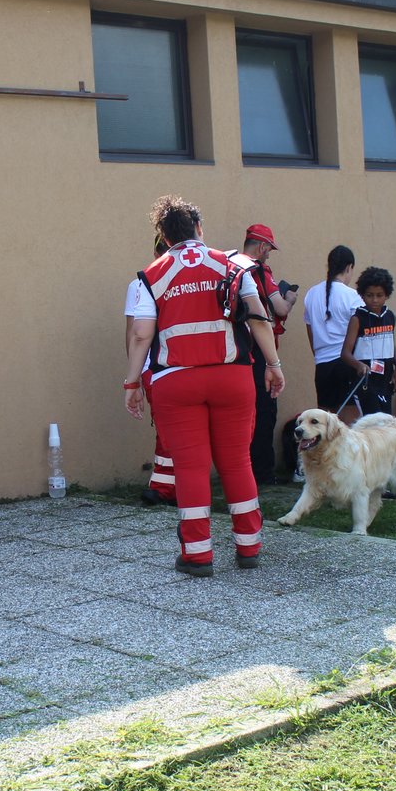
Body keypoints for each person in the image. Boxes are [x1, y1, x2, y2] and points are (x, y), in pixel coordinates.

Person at [124, 196, 284, 576]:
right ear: (199, 228)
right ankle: (248, 547)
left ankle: (197, 555)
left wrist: (132, 382)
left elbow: (141, 335)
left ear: (163, 236)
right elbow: (259, 318)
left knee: (191, 468)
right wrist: (274, 365)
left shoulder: (150, 275)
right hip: (232, 376)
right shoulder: (233, 264)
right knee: (236, 461)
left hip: (175, 382)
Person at [228, 224, 295, 484]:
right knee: (265, 413)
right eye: (269, 250)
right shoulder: (257, 269)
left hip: (235, 350)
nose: (269, 255)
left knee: (241, 416)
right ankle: (262, 473)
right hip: (259, 353)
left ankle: (238, 472)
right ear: (263, 246)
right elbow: (279, 308)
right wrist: (290, 298)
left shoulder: (228, 264)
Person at [126, 238, 175, 505]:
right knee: (167, 429)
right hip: (154, 366)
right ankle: (165, 485)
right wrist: (133, 377)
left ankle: (165, 485)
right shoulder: (139, 283)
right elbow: (133, 333)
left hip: (172, 365)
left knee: (172, 429)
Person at [301, 245, 362, 412]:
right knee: (349, 428)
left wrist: (320, 354)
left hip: (322, 367)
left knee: (325, 426)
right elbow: (361, 334)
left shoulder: (311, 294)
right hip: (346, 365)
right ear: (349, 267)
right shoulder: (353, 296)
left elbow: (310, 331)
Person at [341, 267, 396, 423]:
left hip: (385, 381)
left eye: (379, 295)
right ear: (362, 295)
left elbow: (392, 343)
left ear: (387, 295)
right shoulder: (358, 319)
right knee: (373, 423)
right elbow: (345, 353)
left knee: (387, 423)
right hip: (365, 381)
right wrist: (358, 365)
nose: (374, 300)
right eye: (369, 295)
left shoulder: (390, 317)